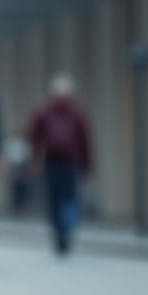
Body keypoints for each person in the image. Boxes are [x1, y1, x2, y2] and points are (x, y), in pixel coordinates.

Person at [27, 72, 92, 255]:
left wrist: (32, 162)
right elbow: (85, 141)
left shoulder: (42, 111)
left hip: (51, 162)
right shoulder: (78, 112)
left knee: (54, 200)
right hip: (73, 162)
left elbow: (33, 139)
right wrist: (87, 165)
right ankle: (67, 229)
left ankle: (58, 233)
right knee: (70, 199)